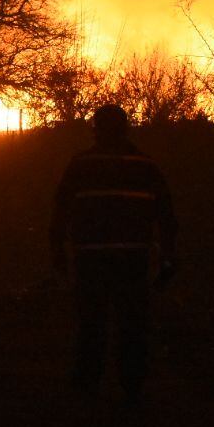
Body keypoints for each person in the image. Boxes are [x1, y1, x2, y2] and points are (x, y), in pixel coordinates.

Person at [50, 104, 178, 404]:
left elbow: (60, 211)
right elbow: (166, 215)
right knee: (132, 323)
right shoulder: (145, 165)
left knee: (91, 322)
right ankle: (131, 386)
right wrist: (168, 257)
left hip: (89, 257)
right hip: (133, 258)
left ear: (96, 130)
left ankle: (87, 385)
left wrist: (58, 253)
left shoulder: (80, 165)